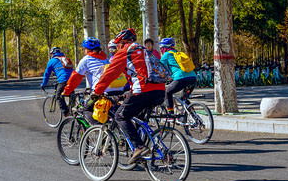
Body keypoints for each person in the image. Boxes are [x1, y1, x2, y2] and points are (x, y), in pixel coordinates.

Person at [93, 29, 166, 164]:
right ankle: (147, 151)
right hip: (160, 89)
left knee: (120, 116)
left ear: (123, 42)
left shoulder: (125, 51)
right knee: (138, 118)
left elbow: (110, 74)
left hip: (143, 90)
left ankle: (139, 147)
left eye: (118, 44)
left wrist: (97, 91)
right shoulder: (144, 50)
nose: (117, 48)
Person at [63, 37, 124, 124]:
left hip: (102, 91)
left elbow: (75, 78)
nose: (83, 51)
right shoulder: (105, 58)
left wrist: (66, 91)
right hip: (118, 88)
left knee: (86, 109)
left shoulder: (86, 60)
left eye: (83, 49)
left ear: (87, 50)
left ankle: (100, 130)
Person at [159, 38, 197, 115]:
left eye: (161, 49)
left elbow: (159, 67)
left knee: (167, 92)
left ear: (164, 48)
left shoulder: (167, 54)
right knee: (183, 98)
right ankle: (195, 117)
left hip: (181, 78)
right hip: (193, 78)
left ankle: (170, 115)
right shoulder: (178, 53)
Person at [41, 47, 73, 117]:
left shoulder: (52, 61)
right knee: (71, 94)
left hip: (63, 80)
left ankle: (67, 114)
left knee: (58, 96)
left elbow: (47, 74)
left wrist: (43, 84)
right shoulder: (64, 58)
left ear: (52, 54)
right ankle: (73, 108)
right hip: (72, 79)